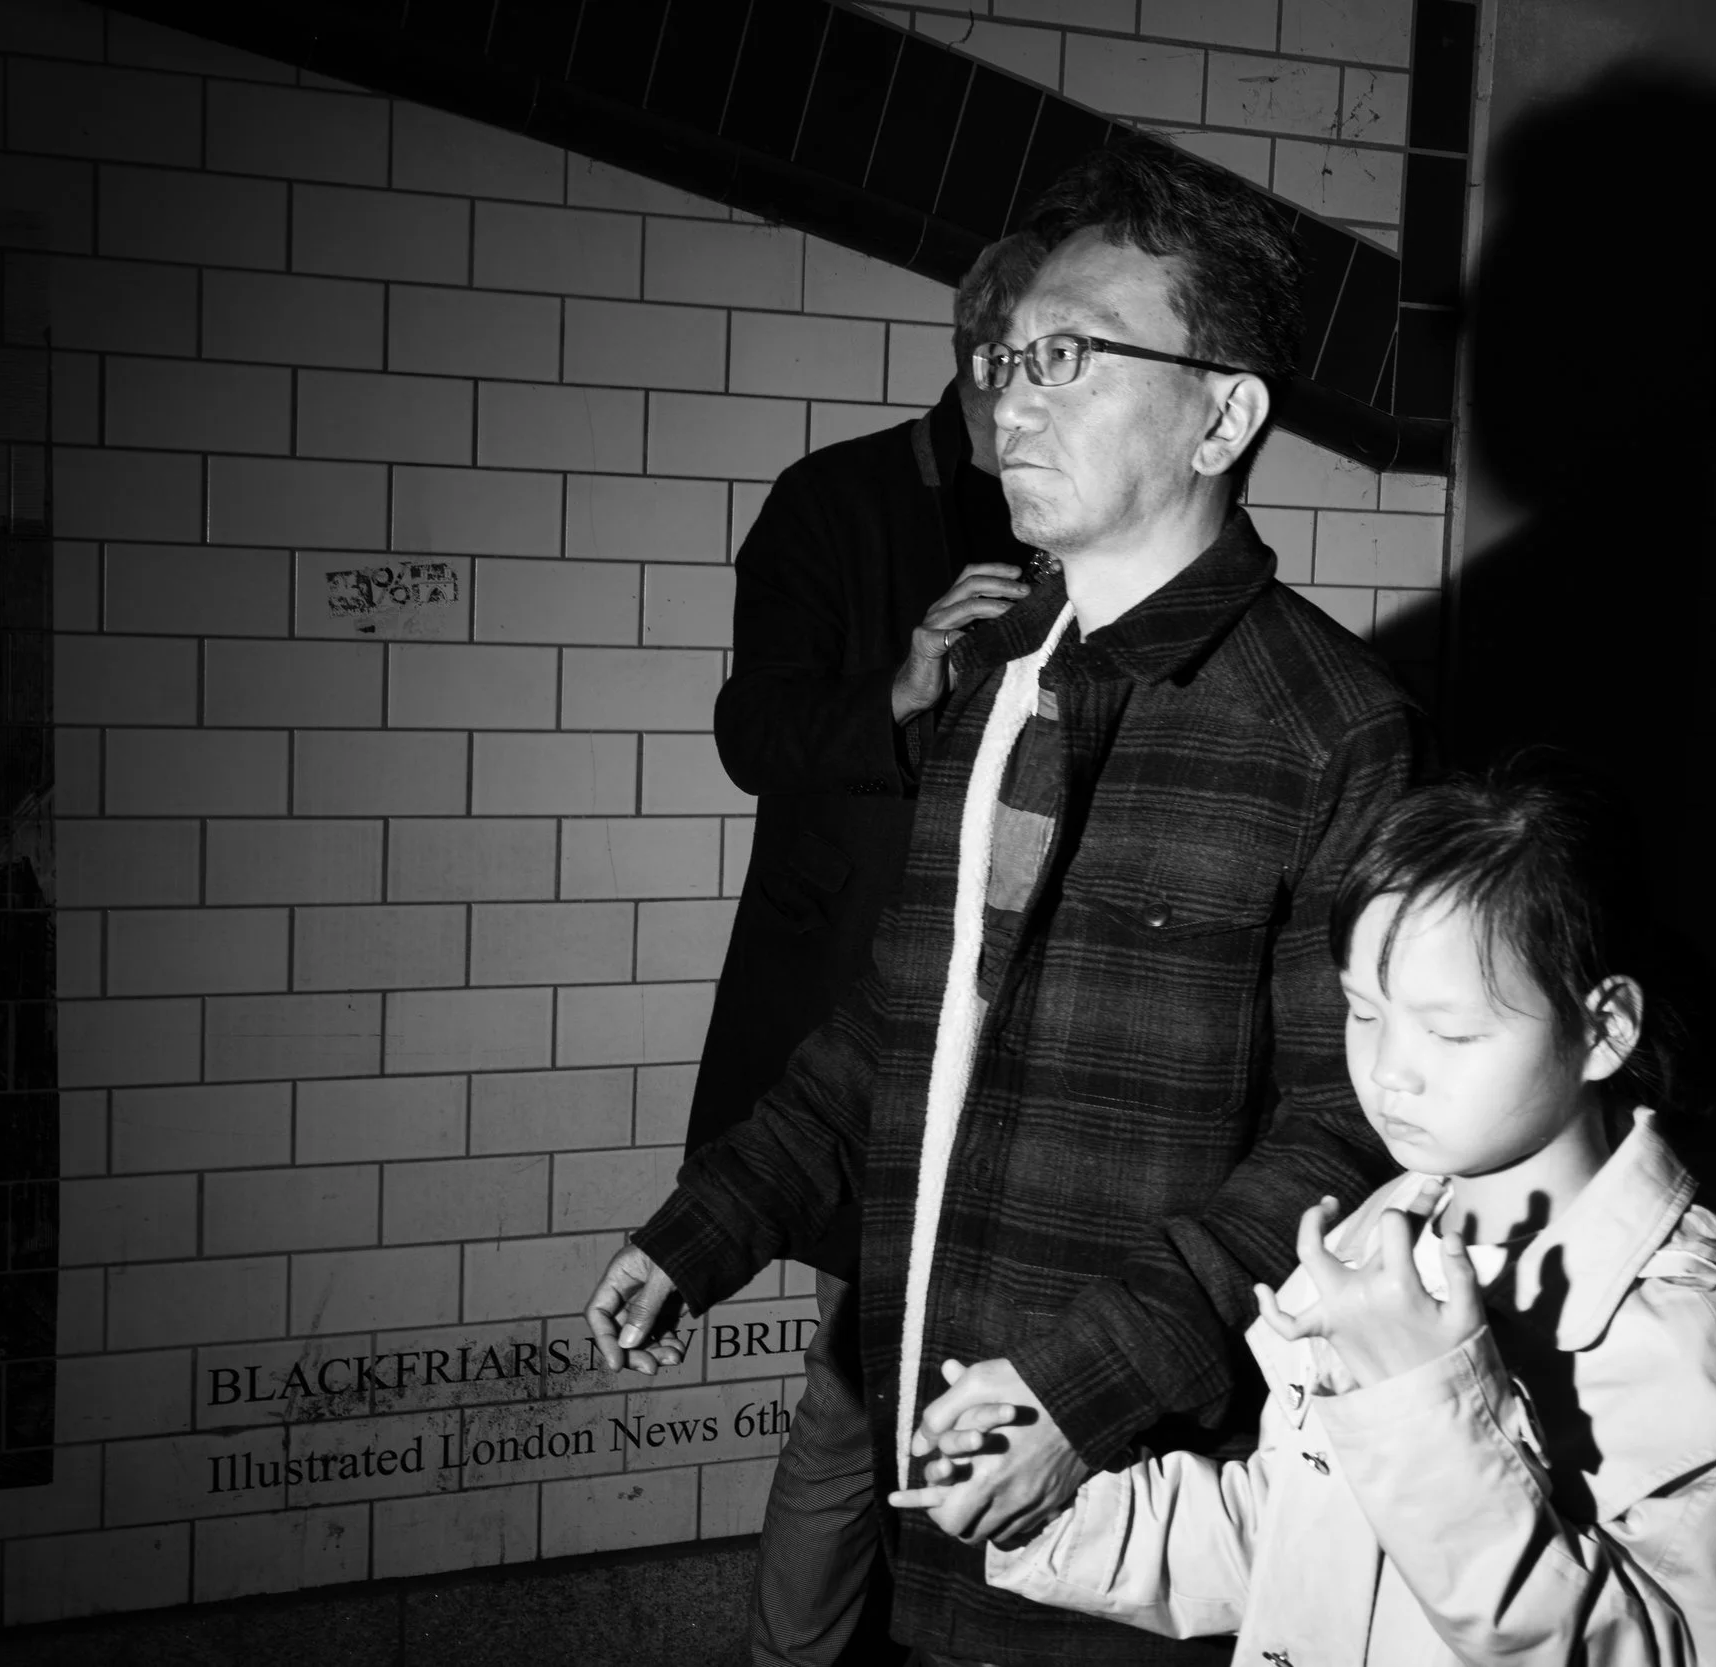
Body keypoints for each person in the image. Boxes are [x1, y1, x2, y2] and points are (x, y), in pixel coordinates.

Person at [586, 138, 1417, 1666]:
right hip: (929, 1437)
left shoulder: (1330, 724)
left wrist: (1082, 1382)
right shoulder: (994, 692)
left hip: (1136, 1473)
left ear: (1224, 412)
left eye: (1074, 356)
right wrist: (714, 1221)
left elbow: (1350, 1126)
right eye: (1007, 352)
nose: (1012, 396)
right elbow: (904, 1016)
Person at [900, 759, 1716, 1665]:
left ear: (1603, 1027)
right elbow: (1289, 1540)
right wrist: (1052, 1511)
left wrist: (1423, 1397)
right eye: (1364, 1011)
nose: (1388, 1071)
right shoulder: (1380, 1236)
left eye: (1450, 1030)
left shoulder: (1700, 1341)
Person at [689, 231, 1048, 1667]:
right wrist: (902, 681)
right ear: (985, 358)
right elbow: (749, 731)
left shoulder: (1079, 516)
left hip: (1034, 1024)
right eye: (1050, 356)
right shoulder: (832, 504)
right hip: (880, 1027)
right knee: (854, 1382)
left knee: (990, 1388)